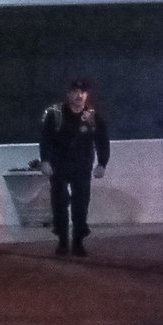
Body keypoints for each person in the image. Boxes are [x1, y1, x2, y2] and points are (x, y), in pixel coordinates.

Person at [39, 79, 110, 258]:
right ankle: (62, 241)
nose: (79, 95)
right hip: (59, 167)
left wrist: (102, 163)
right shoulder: (55, 114)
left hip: (82, 167)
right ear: (68, 94)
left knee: (81, 205)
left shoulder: (93, 116)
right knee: (60, 203)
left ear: (87, 95)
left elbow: (102, 141)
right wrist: (45, 160)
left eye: (83, 92)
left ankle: (78, 242)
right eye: (76, 91)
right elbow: (45, 139)